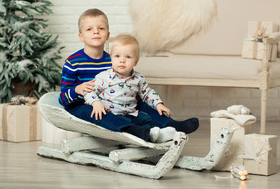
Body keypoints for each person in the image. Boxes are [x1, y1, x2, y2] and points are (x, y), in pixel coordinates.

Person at [59, 9, 198, 142]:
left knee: (140, 105)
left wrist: (144, 99)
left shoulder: (115, 59)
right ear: (81, 36)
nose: (96, 31)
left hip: (114, 100)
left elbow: (128, 82)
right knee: (93, 111)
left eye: (101, 28)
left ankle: (172, 125)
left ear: (107, 35)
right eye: (89, 29)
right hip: (83, 103)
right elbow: (63, 97)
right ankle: (133, 129)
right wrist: (77, 90)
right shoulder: (73, 62)